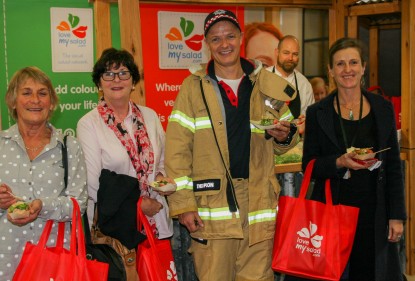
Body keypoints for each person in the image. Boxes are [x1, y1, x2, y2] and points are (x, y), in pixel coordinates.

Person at [165, 9, 299, 281]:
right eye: (215, 39)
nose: (224, 44)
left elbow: (288, 137)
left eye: (229, 36)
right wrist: (183, 204)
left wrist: (285, 135)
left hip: (258, 207)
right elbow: (177, 151)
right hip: (212, 210)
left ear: (240, 39)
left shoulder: (266, 84)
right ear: (207, 45)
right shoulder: (192, 88)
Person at [290, 37, 406, 281]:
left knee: (372, 272)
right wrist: (339, 162)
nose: (348, 69)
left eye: (353, 62)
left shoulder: (382, 108)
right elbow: (309, 164)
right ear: (331, 71)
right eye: (340, 64)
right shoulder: (317, 113)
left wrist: (396, 215)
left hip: (374, 212)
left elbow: (394, 165)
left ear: (363, 67)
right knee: (336, 274)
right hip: (333, 210)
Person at [76, 48, 174, 258]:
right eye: (108, 74)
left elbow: (163, 160)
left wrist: (160, 178)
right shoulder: (89, 124)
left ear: (133, 81)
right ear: (99, 83)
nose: (116, 80)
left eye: (123, 73)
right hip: (115, 228)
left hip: (155, 221)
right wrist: (138, 204)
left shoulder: (150, 116)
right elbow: (93, 186)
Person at [0, 66, 88, 280]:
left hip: (55, 261)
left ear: (52, 103)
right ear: (13, 101)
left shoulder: (69, 146)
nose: (35, 100)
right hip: (7, 260)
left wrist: (42, 206)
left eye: (42, 93)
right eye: (26, 92)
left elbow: (79, 205)